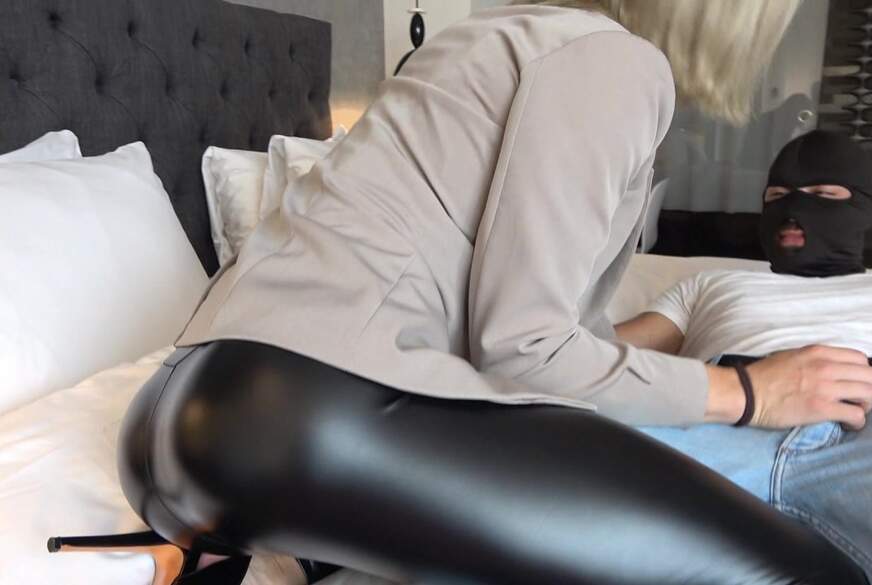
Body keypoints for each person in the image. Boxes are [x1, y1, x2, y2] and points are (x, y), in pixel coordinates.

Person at [50, 1, 871, 584]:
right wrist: (750, 391)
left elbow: (531, 345)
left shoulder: (499, 37)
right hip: (304, 414)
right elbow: (527, 350)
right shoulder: (614, 61)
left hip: (176, 423)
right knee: (804, 571)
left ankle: (289, 552)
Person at [614, 129, 872, 578]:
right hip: (716, 421)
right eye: (777, 197)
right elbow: (596, 356)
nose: (793, 211)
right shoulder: (712, 283)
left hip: (857, 434)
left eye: (822, 195)